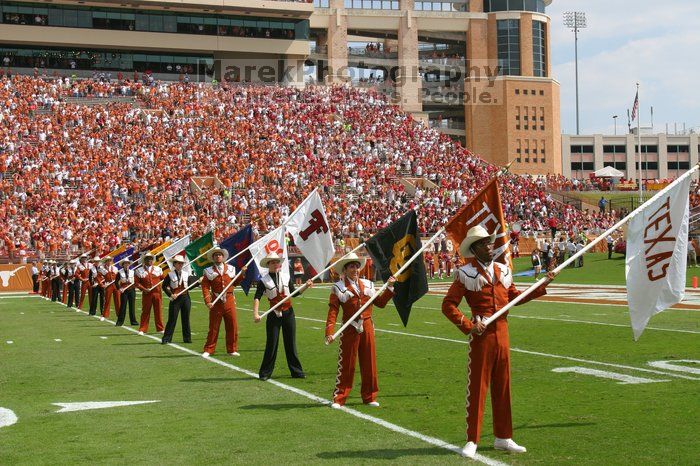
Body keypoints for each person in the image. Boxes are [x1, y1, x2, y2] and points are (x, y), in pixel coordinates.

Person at [441, 225, 555, 459]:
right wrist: (468, 325)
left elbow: (514, 297)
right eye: (484, 243)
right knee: (478, 387)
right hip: (481, 334)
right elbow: (448, 305)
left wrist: (542, 285)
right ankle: (472, 439)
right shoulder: (465, 272)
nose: (490, 246)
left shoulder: (503, 270)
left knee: (503, 385)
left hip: (502, 330)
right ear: (474, 249)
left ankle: (503, 437)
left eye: (490, 242)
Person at [325, 252, 395, 408]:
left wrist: (389, 287)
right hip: (349, 327)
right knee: (347, 363)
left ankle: (370, 396)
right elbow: (333, 311)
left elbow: (381, 303)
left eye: (357, 266)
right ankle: (339, 397)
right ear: (344, 270)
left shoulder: (369, 284)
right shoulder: (338, 287)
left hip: (368, 326)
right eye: (351, 266)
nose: (355, 269)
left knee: (369, 362)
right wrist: (330, 332)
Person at [253, 252, 312, 381]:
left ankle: (296, 371)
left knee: (291, 343)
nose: (275, 264)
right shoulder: (263, 280)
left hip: (288, 313)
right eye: (272, 262)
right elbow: (257, 297)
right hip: (273, 315)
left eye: (277, 262)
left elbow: (294, 293)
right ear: (268, 264)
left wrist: (306, 286)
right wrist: (256, 313)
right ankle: (265, 373)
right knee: (272, 344)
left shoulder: (286, 277)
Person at [201, 247, 246, 357]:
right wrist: (208, 301)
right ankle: (209, 349)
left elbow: (235, 283)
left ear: (223, 257)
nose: (218, 256)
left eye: (220, 254)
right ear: (213, 257)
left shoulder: (231, 268)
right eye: (216, 255)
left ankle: (232, 349)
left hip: (229, 300)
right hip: (216, 301)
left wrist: (242, 274)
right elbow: (205, 287)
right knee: (214, 327)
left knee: (232, 325)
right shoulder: (208, 271)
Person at [161, 255, 198, 344]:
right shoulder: (170, 274)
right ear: (174, 264)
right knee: (172, 319)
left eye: (181, 263)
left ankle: (187, 338)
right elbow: (164, 286)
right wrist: (170, 294)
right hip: (175, 299)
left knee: (186, 319)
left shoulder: (186, 274)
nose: (180, 265)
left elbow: (189, 286)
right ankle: (166, 339)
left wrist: (198, 282)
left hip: (186, 298)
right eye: (178, 263)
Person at [136, 253, 164, 335]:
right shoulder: (139, 270)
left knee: (158, 310)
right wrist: (143, 289)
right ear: (144, 260)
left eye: (151, 259)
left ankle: (160, 328)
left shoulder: (158, 269)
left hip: (157, 293)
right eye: (147, 259)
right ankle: (142, 329)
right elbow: (137, 283)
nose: (149, 260)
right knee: (145, 311)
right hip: (146, 294)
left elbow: (163, 279)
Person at [115, 258, 138, 326]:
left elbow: (136, 281)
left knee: (132, 306)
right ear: (123, 264)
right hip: (124, 290)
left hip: (131, 290)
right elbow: (116, 282)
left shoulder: (132, 272)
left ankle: (133, 321)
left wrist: (135, 285)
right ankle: (120, 322)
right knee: (123, 306)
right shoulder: (119, 272)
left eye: (128, 263)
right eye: (125, 263)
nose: (127, 264)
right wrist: (119, 288)